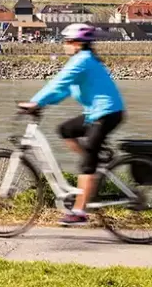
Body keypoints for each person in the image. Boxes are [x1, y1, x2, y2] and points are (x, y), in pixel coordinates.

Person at [18, 23, 124, 226]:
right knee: (66, 130)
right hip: (95, 113)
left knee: (86, 165)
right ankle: (92, 160)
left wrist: (35, 102)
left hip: (107, 114)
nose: (64, 45)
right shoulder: (82, 60)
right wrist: (43, 104)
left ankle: (79, 211)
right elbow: (63, 90)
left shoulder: (82, 60)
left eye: (67, 41)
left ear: (77, 43)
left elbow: (58, 82)